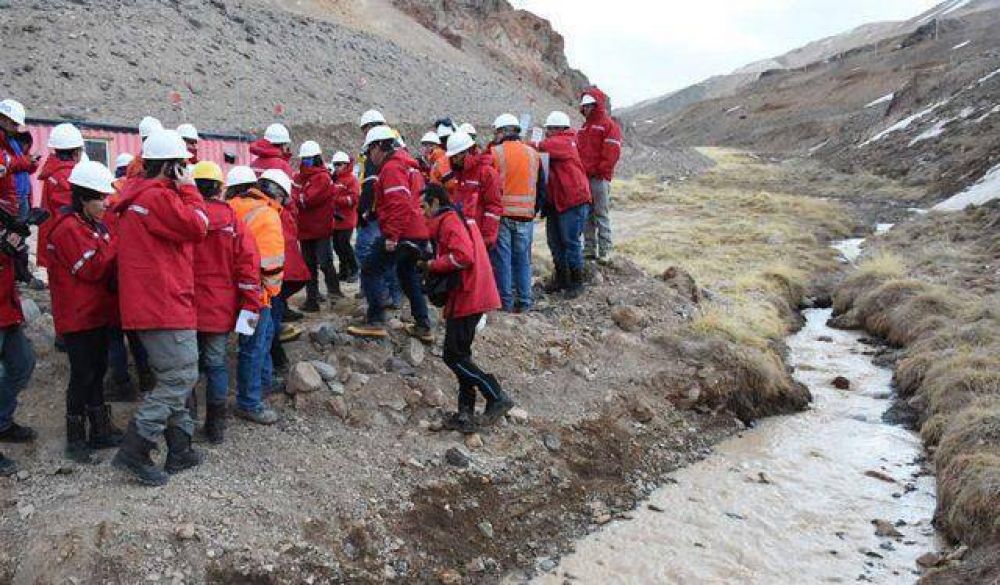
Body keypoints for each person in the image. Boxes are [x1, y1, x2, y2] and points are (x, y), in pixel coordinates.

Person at [111, 129, 208, 486]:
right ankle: (135, 449)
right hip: (164, 302)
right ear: (170, 167)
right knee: (179, 376)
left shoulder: (139, 196)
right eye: (182, 165)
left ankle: (179, 449)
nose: (186, 170)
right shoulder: (159, 198)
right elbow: (199, 226)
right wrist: (191, 189)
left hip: (154, 302)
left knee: (178, 375)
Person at [46, 160, 123, 463]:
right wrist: (116, 244)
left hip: (96, 313)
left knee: (98, 370)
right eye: (100, 199)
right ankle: (76, 438)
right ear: (82, 199)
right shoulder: (67, 229)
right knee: (82, 374)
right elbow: (91, 269)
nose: (106, 204)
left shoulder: (91, 225)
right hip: (78, 317)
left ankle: (100, 429)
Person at [421, 183, 513, 432]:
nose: (423, 213)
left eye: (424, 207)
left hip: (468, 296)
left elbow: (463, 256)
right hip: (472, 293)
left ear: (435, 203)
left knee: (453, 356)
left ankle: (495, 394)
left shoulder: (449, 221)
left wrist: (432, 265)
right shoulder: (455, 218)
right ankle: (465, 413)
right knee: (461, 355)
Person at [192, 161, 261, 443]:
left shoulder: (185, 219)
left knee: (188, 368)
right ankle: (215, 428)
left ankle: (184, 428)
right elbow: (248, 266)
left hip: (185, 307)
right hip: (219, 307)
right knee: (216, 364)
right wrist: (251, 304)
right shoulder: (233, 222)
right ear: (220, 189)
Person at [347, 125, 432, 341]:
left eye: (368, 152)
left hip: (403, 232)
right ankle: (423, 324)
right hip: (417, 231)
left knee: (369, 269)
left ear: (378, 147)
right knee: (407, 274)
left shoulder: (392, 168)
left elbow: (399, 204)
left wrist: (392, 236)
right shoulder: (409, 166)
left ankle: (375, 320)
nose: (369, 157)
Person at [229, 168, 285, 425]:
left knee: (260, 338)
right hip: (256, 297)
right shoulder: (269, 216)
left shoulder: (232, 206)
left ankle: (263, 382)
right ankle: (250, 401)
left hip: (230, 291)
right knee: (255, 344)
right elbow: (271, 265)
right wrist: (271, 294)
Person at [105, 152, 153, 402]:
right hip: (135, 280)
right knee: (137, 335)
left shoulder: (113, 201)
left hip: (114, 278)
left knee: (115, 336)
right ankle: (145, 378)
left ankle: (122, 382)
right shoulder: (147, 198)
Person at [490, 113, 546, 312]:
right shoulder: (533, 154)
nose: (495, 135)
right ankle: (524, 302)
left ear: (504, 131)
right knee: (523, 260)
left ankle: (504, 303)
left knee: (503, 259)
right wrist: (534, 209)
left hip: (503, 214)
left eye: (496, 131)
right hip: (526, 215)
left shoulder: (495, 153)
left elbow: (489, 184)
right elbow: (541, 185)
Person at [537, 111, 592, 299]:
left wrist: (523, 144)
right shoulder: (561, 143)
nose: (548, 132)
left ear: (561, 129)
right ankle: (562, 278)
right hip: (557, 201)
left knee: (570, 242)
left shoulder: (566, 142)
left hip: (571, 201)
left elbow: (542, 146)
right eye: (547, 129)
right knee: (555, 242)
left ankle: (576, 282)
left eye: (550, 129)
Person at [354, 110, 401, 310]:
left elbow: (373, 183)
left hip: (378, 211)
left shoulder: (382, 150)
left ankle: (378, 292)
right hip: (380, 209)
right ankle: (381, 292)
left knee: (370, 251)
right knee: (383, 253)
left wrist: (366, 210)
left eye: (365, 130)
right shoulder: (393, 145)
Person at [294, 140, 341, 312]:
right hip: (306, 229)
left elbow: (307, 200)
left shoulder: (322, 178)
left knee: (325, 262)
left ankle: (335, 294)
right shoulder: (301, 177)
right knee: (309, 266)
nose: (305, 162)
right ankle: (312, 299)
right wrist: (298, 197)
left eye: (308, 159)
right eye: (304, 159)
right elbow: (297, 196)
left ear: (316, 158)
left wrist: (297, 197)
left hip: (319, 229)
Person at [577, 87, 622, 262]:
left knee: (601, 213)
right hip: (585, 178)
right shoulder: (584, 127)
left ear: (596, 105)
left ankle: (605, 250)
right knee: (587, 214)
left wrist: (600, 171)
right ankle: (589, 249)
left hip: (599, 179)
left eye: (589, 106)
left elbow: (611, 154)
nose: (586, 109)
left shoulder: (609, 126)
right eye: (584, 106)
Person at [36, 123, 84, 271]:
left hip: (52, 239)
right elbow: (70, 213)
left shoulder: (54, 171)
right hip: (63, 243)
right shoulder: (67, 175)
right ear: (76, 152)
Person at [445, 131, 502, 247]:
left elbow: (493, 207)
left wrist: (487, 237)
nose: (454, 160)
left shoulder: (487, 173)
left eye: (456, 156)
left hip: (478, 235)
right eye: (453, 157)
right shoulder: (460, 174)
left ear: (468, 152)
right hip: (463, 234)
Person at [0, 100, 39, 221]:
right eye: (15, 124)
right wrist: (26, 161)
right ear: (4, 119)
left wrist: (32, 163)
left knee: (18, 237)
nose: (17, 128)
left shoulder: (13, 140)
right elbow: (5, 165)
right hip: (6, 202)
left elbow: (20, 165)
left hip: (20, 199)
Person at [330, 151, 359, 282]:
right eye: (335, 165)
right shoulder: (333, 178)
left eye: (339, 164)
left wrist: (337, 200)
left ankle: (354, 270)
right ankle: (343, 271)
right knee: (337, 246)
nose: (336, 167)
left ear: (346, 165)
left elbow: (353, 198)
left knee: (345, 245)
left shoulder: (352, 180)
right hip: (335, 219)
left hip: (347, 219)